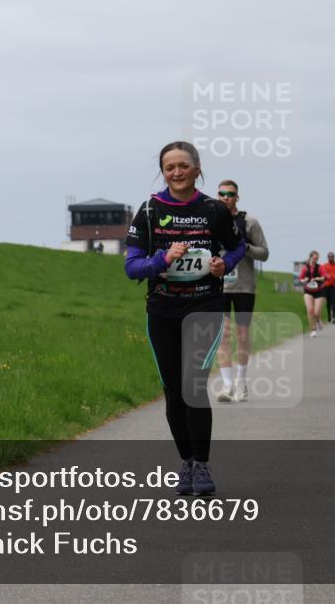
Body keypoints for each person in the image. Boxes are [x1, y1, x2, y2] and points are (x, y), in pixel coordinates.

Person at [124, 141, 246, 496]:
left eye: (183, 165)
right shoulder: (149, 211)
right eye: (169, 167)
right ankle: (187, 460)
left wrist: (226, 263)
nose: (176, 172)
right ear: (163, 172)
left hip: (204, 305)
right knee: (173, 392)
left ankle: (203, 464)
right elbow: (132, 267)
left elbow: (236, 246)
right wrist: (162, 260)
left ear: (197, 168)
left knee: (193, 386)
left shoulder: (214, 210)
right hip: (162, 309)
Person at [215, 180, 269, 403]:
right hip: (219, 285)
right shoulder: (211, 222)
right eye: (222, 193)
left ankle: (241, 382)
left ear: (238, 197)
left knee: (242, 334)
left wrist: (245, 247)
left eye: (231, 194)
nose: (226, 197)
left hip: (244, 286)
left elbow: (264, 253)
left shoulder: (250, 222)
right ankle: (227, 385)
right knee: (223, 334)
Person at [299, 251, 326, 337]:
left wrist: (319, 278)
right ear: (310, 257)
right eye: (314, 258)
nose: (316, 260)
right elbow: (301, 279)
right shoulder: (305, 268)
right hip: (308, 291)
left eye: (317, 258)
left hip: (319, 290)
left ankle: (318, 320)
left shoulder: (320, 267)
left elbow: (324, 277)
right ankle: (313, 330)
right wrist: (305, 280)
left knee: (316, 312)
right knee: (310, 310)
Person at [320, 252, 335, 324]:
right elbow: (320, 273)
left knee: (334, 301)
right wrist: (322, 278)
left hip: (334, 286)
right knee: (328, 303)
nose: (331, 258)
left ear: (334, 257)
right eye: (329, 257)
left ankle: (334, 317)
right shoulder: (324, 266)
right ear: (328, 258)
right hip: (326, 286)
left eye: (332, 257)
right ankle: (329, 316)